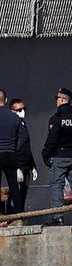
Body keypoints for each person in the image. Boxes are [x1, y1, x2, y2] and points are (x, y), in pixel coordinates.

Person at [42, 86, 72, 224]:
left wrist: (45, 154)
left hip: (59, 156)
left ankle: (57, 217)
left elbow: (52, 139)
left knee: (57, 186)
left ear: (61, 100)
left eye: (57, 98)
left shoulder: (57, 118)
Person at [9, 97, 36, 213]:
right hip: (17, 165)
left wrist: (33, 166)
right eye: (19, 110)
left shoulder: (23, 124)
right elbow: (13, 147)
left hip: (26, 165)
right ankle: (12, 216)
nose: (22, 112)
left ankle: (19, 216)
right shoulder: (11, 126)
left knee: (23, 193)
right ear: (12, 111)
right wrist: (17, 167)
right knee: (15, 194)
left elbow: (26, 147)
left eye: (23, 109)